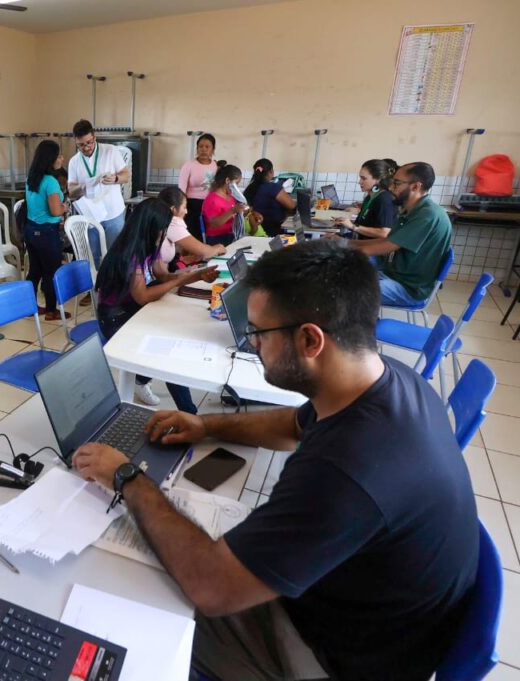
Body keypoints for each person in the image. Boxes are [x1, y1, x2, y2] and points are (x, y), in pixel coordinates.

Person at [73, 239, 477, 681]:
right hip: (362, 613)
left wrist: (128, 477)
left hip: (330, 657)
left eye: (258, 334)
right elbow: (292, 425)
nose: (253, 345)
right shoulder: (391, 380)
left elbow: (210, 586)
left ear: (309, 339)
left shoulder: (346, 472)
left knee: (132, 610)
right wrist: (207, 426)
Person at [96, 199, 219, 409]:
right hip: (115, 317)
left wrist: (196, 275)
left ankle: (142, 379)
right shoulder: (130, 253)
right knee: (166, 348)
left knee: (171, 329)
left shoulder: (147, 245)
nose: (165, 234)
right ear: (152, 228)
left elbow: (162, 275)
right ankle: (188, 410)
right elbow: (142, 296)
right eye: (163, 229)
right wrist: (182, 279)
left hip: (131, 307)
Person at [351, 162, 452, 306]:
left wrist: (342, 247)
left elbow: (387, 246)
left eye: (396, 183)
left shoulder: (427, 215)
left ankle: (360, 326)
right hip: (395, 274)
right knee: (345, 277)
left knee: (346, 292)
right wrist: (346, 243)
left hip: (409, 288)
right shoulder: (412, 210)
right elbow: (386, 240)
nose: (391, 187)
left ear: (416, 186)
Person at [67, 119, 129, 259]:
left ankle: (113, 281)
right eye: (81, 145)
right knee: (92, 256)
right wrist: (85, 185)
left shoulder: (110, 151)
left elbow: (126, 175)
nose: (86, 147)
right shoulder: (74, 161)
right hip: (90, 216)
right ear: (76, 142)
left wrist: (116, 179)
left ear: (94, 137)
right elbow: (71, 191)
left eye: (89, 142)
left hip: (113, 213)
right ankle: (96, 281)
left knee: (115, 254)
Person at [25, 140, 72, 321]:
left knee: (34, 271)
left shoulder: (32, 179)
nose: (61, 158)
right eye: (59, 155)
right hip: (46, 233)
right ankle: (52, 311)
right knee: (52, 272)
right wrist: (65, 206)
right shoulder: (51, 182)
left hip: (31, 231)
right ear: (50, 158)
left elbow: (36, 208)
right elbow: (54, 210)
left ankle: (29, 306)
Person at [157, 186, 226, 273]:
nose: (186, 211)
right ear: (173, 209)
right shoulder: (172, 223)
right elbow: (204, 252)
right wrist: (218, 248)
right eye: (184, 207)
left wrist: (187, 259)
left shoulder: (160, 218)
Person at [333, 159, 398, 239]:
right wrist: (345, 222)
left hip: (370, 248)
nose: (360, 182)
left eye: (364, 178)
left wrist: (352, 226)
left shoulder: (384, 200)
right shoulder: (370, 197)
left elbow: (384, 233)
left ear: (378, 180)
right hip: (359, 242)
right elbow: (367, 224)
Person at [178, 133, 218, 241]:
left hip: (209, 205)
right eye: (200, 146)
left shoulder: (215, 166)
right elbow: (181, 189)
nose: (203, 149)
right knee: (193, 235)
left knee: (207, 236)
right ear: (197, 148)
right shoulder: (189, 165)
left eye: (207, 147)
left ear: (213, 149)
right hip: (191, 206)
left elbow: (217, 188)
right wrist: (183, 207)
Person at [243, 159, 297, 237]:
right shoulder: (273, 188)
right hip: (274, 231)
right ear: (271, 172)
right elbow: (292, 206)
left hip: (256, 230)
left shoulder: (249, 188)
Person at [202, 164, 248, 246]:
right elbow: (214, 224)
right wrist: (233, 210)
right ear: (227, 181)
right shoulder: (213, 199)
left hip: (230, 234)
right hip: (217, 238)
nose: (237, 187)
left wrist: (243, 211)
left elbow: (234, 214)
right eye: (236, 183)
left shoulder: (230, 196)